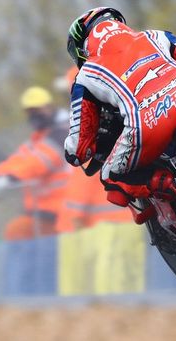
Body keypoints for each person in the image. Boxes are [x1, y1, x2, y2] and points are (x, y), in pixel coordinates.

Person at [64, 7, 176, 213]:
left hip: (147, 123)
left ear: (81, 49)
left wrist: (71, 154)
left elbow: (79, 147)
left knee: (111, 175)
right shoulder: (154, 35)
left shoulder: (86, 75)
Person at [0, 86, 71, 240]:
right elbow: (18, 159)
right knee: (17, 231)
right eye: (29, 112)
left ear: (48, 107)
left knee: (18, 232)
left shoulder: (63, 133)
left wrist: (9, 180)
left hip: (60, 212)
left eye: (37, 110)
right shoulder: (39, 138)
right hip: (43, 212)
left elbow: (39, 162)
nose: (34, 116)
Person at [53, 66, 132, 232]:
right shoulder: (123, 123)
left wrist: (75, 218)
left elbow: (82, 183)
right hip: (126, 222)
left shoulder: (89, 134)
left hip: (103, 229)